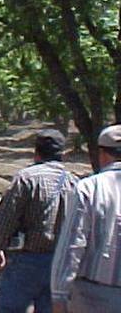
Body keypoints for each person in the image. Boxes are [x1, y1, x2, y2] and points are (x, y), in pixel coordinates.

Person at [0, 129, 78, 313]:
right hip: (59, 262)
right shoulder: (74, 182)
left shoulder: (26, 178)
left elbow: (5, 220)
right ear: (62, 153)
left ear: (37, 152)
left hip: (27, 259)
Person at [51, 125, 121, 313]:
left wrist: (58, 296)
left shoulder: (90, 188)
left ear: (102, 153)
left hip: (95, 297)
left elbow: (72, 246)